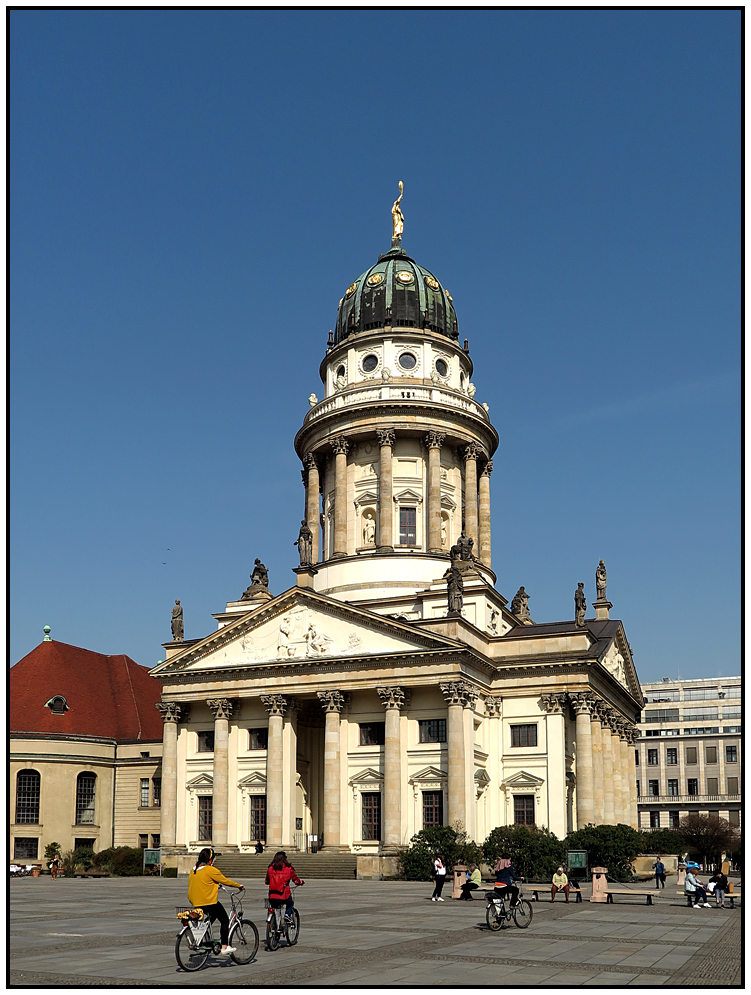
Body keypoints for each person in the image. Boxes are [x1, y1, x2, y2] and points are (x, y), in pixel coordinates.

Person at [187, 847, 244, 955]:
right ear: (210, 859)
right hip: (208, 902)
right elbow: (225, 881)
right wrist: (238, 886)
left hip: (195, 901)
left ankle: (203, 936)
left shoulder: (194, 869)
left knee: (209, 919)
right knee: (224, 920)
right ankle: (224, 947)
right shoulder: (210, 870)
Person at [265, 850, 304, 923]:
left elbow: (266, 881)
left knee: (275, 906)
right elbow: (296, 880)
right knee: (290, 903)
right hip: (284, 895)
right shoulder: (289, 868)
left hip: (272, 895)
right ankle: (287, 915)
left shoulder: (270, 868)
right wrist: (301, 882)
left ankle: (274, 926)